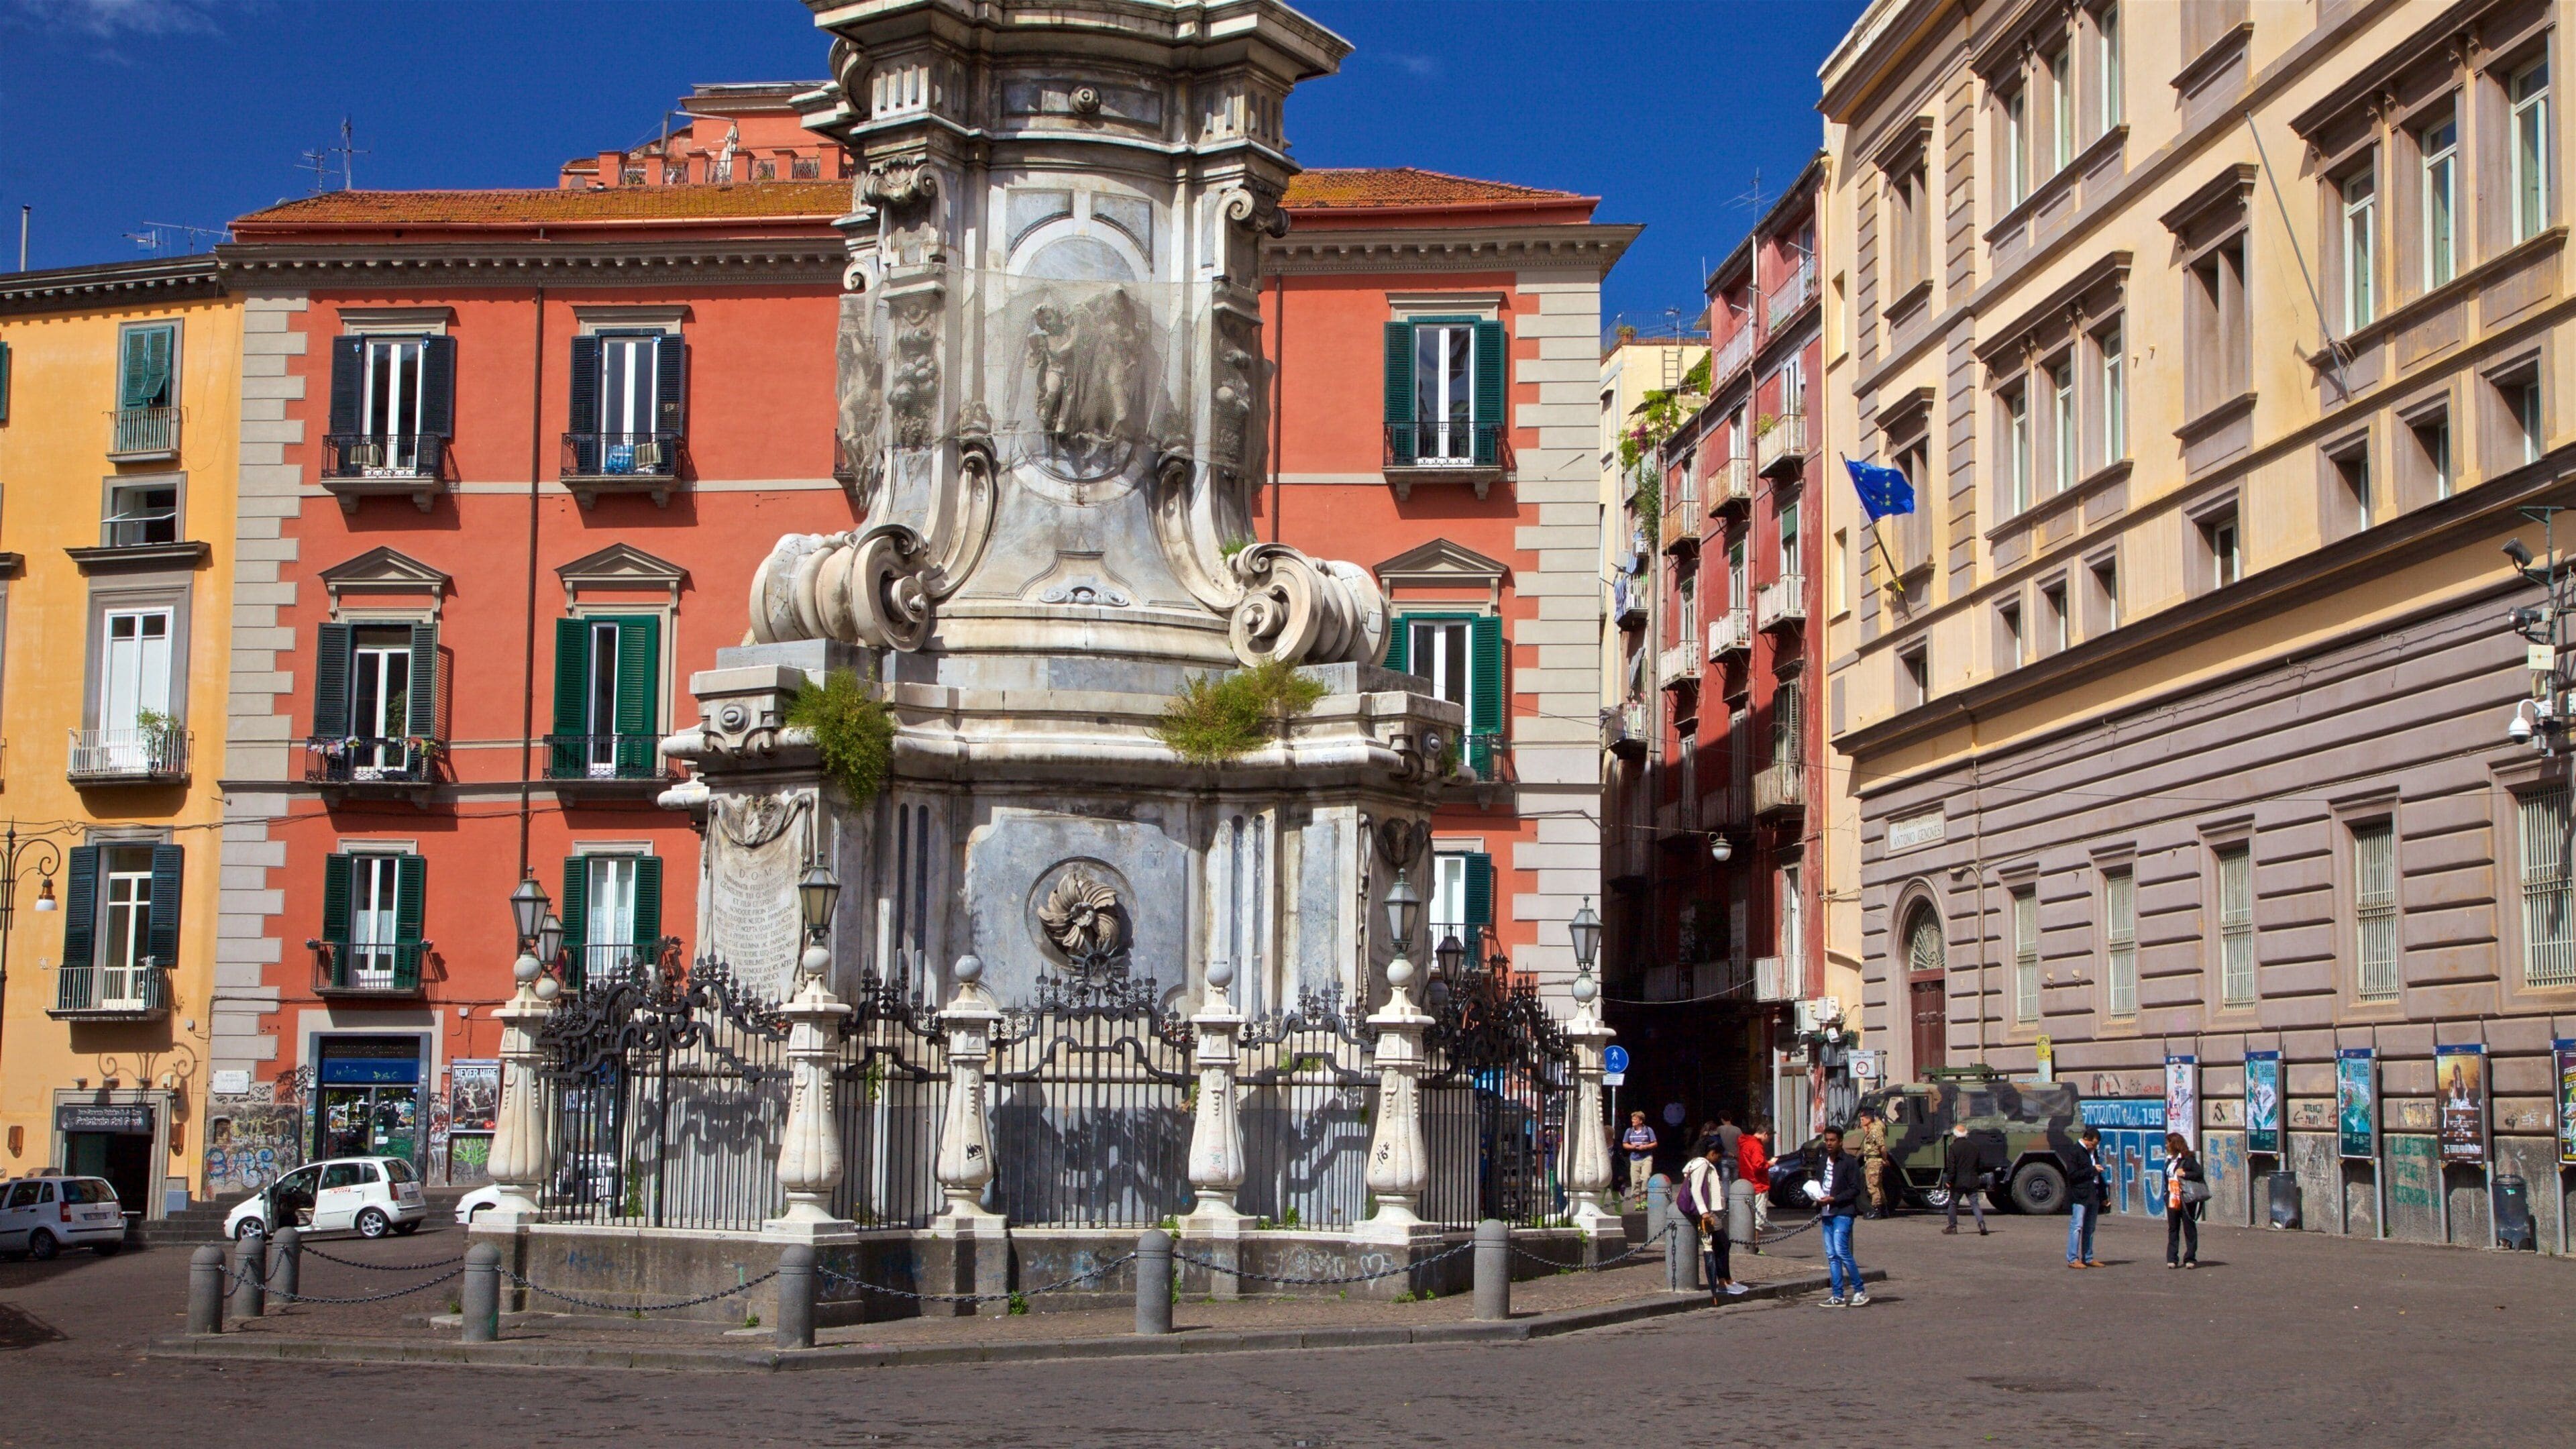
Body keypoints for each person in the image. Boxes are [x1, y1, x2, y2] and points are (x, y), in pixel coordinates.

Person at [1682, 1136, 1750, 1299]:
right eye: (1718, 1155)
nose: (1719, 1159)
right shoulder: (1702, 1164)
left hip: (1708, 1211)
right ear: (1712, 1153)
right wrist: (1704, 1212)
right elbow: (1696, 1190)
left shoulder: (1696, 1163)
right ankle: (1724, 1282)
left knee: (1721, 1245)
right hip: (1707, 1212)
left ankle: (1726, 1280)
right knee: (1723, 1244)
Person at [1810, 1125, 1869, 1307]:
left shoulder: (1849, 1162)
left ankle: (1859, 1290)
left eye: (1832, 1140)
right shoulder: (1822, 1162)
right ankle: (1838, 1295)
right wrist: (1816, 1196)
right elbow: (1819, 1183)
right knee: (1832, 1255)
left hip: (1843, 1212)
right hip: (1826, 1212)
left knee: (1841, 1250)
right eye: (1827, 1140)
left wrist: (1834, 1199)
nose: (1829, 1144)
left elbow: (1854, 1189)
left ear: (1840, 1142)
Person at [2065, 1126, 2107, 1269]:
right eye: (2093, 1144)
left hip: (2093, 1193)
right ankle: (2072, 1258)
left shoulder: (2093, 1153)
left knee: (2090, 1227)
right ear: (2086, 1140)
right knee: (2077, 1226)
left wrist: (2104, 1196)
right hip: (2080, 1194)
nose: (2094, 1147)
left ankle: (2088, 1257)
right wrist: (2092, 1170)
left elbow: (2099, 1177)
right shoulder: (2075, 1151)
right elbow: (2073, 1175)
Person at [1941, 1121, 1989, 1236]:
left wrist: (1949, 1181)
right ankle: (1981, 1224)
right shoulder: (1975, 1147)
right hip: (1972, 1180)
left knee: (1953, 1203)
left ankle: (1952, 1227)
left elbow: (1952, 1167)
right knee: (1975, 1204)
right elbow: (1980, 1165)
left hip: (1958, 1182)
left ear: (1955, 1135)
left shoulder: (1953, 1148)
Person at [2165, 1133, 2204, 1269]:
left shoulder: (2188, 1160)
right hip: (2172, 1197)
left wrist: (2185, 1174)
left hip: (2186, 1198)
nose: (2166, 1146)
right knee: (2173, 1228)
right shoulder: (2170, 1160)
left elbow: (2199, 1174)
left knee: (2189, 1227)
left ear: (2175, 1144)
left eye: (2168, 1143)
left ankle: (2190, 1257)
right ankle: (2172, 1258)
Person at [1737, 1122, 1772, 1250]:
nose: (1768, 1141)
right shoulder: (1757, 1146)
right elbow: (1759, 1166)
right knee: (1758, 1219)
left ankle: (1747, 1246)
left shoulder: (1745, 1143)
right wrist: (1770, 1164)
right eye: (1769, 1138)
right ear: (1765, 1134)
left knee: (1748, 1217)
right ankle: (1755, 1247)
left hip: (1747, 1184)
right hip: (1758, 1185)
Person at [1620, 1111, 1658, 1212]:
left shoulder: (1648, 1130)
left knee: (1645, 1178)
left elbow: (1655, 1143)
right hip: (1634, 1158)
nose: (1633, 1121)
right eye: (1632, 1119)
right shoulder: (1629, 1131)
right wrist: (1631, 1146)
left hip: (1646, 1157)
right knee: (1635, 1181)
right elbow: (1624, 1144)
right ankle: (1637, 1202)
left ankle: (1645, 1199)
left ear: (1641, 1121)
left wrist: (1645, 1147)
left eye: (1635, 1119)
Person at [1859, 1108, 1892, 1219]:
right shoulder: (1873, 1128)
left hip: (1874, 1160)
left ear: (1869, 1118)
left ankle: (1876, 1210)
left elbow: (1882, 1147)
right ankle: (1884, 1209)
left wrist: (1885, 1159)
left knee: (1872, 1186)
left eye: (1863, 1119)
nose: (1861, 1121)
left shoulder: (1875, 1129)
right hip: (1873, 1160)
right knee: (1878, 1186)